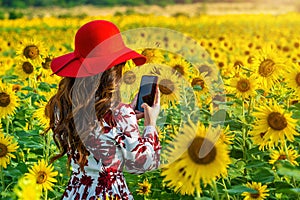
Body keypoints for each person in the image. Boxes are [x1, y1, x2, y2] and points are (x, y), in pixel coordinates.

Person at [47, 20, 161, 200]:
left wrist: (128, 118)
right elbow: (142, 164)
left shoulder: (62, 106)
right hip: (109, 193)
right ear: (114, 71)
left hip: (76, 192)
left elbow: (98, 127)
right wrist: (150, 124)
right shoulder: (120, 115)